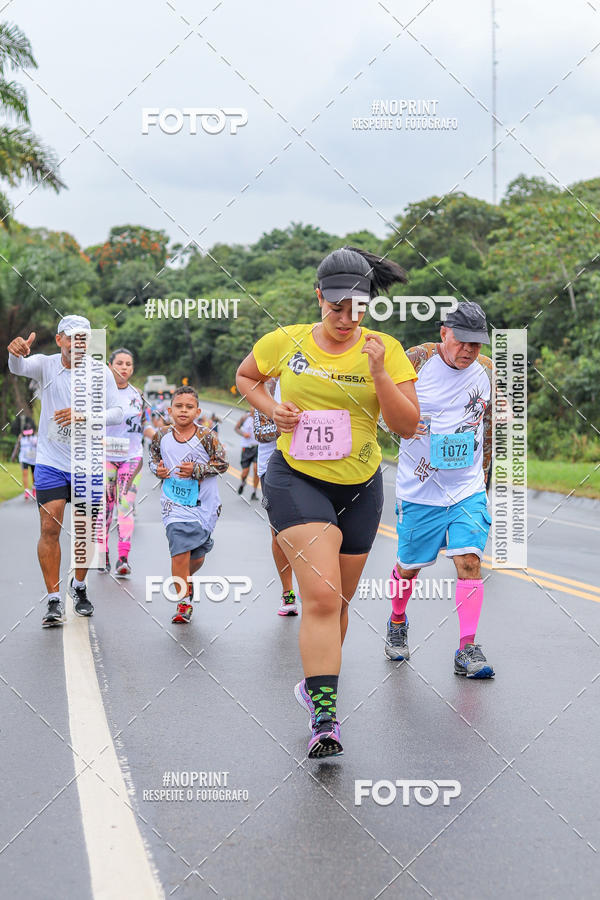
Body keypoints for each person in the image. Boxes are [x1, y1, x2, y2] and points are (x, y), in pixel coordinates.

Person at [236, 246, 419, 758]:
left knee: (337, 603)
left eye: (356, 307)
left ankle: (315, 685)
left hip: (361, 485)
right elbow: (246, 376)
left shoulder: (387, 348)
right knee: (319, 598)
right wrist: (273, 408)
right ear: (319, 297)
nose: (345, 317)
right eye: (336, 306)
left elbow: (407, 426)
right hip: (296, 478)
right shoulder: (286, 341)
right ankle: (325, 718)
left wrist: (380, 374)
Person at [384, 301, 495, 678]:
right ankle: (397, 622)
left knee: (469, 561)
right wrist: (396, 425)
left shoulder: (486, 372)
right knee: (409, 567)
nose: (467, 350)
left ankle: (468, 648)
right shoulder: (416, 360)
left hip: (466, 488)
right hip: (419, 489)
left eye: (476, 344)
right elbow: (380, 403)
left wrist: (485, 478)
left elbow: (490, 424)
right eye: (461, 341)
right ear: (443, 332)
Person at [7, 316, 123, 627]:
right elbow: (17, 368)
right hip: (51, 462)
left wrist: (83, 415)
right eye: (72, 338)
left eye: (84, 338)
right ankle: (54, 599)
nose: (78, 344)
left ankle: (80, 588)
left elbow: (117, 412)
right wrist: (14, 352)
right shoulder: (45, 365)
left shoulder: (100, 372)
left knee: (84, 531)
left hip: (88, 462)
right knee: (50, 528)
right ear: (60, 340)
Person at [149, 386, 228, 624]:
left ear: (197, 411)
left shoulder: (206, 437)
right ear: (170, 409)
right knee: (180, 549)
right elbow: (153, 460)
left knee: (198, 555)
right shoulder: (161, 436)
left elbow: (223, 464)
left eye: (189, 407)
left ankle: (184, 579)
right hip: (174, 503)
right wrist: (158, 470)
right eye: (179, 406)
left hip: (205, 504)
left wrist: (197, 470)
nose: (183, 411)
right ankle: (183, 604)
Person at [100, 348, 155, 576]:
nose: (124, 367)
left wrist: (168, 436)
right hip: (104, 458)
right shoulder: (100, 394)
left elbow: (147, 425)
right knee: (106, 508)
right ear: (110, 365)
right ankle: (102, 554)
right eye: (119, 363)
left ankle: (123, 557)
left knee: (125, 505)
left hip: (132, 458)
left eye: (128, 364)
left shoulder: (138, 394)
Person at [253, 378, 298, 616]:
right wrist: (293, 423)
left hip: (311, 465)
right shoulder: (266, 385)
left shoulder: (319, 375)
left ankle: (316, 592)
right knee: (280, 533)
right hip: (272, 467)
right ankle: (288, 593)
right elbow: (260, 432)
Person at [234, 409, 259, 499]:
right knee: (245, 472)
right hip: (247, 447)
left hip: (257, 447)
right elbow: (236, 428)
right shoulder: (245, 417)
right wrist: (243, 433)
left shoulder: (261, 417)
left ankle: (254, 492)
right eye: (253, 406)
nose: (254, 408)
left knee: (256, 469)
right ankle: (243, 482)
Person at [11, 420, 38, 500]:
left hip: (34, 459)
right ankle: (26, 491)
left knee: (34, 476)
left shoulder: (35, 437)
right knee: (25, 474)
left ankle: (34, 488)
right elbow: (17, 446)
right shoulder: (21, 437)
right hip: (24, 458)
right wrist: (13, 455)